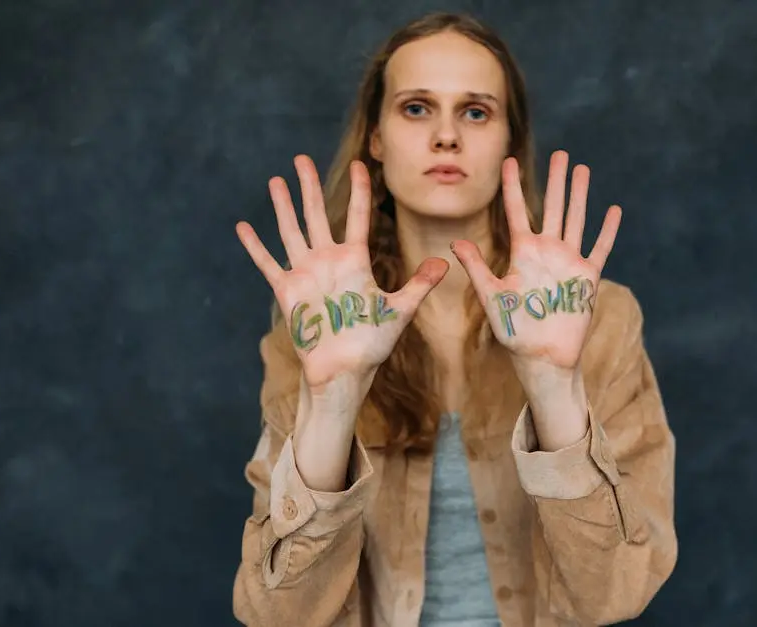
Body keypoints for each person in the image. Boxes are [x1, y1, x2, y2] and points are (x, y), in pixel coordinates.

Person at [231, 11, 677, 627]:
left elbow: (613, 596)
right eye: (417, 108)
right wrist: (333, 400)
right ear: (376, 139)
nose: (447, 136)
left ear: (509, 145)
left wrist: (554, 387)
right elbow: (278, 616)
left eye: (475, 112)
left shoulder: (601, 320)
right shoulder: (315, 331)